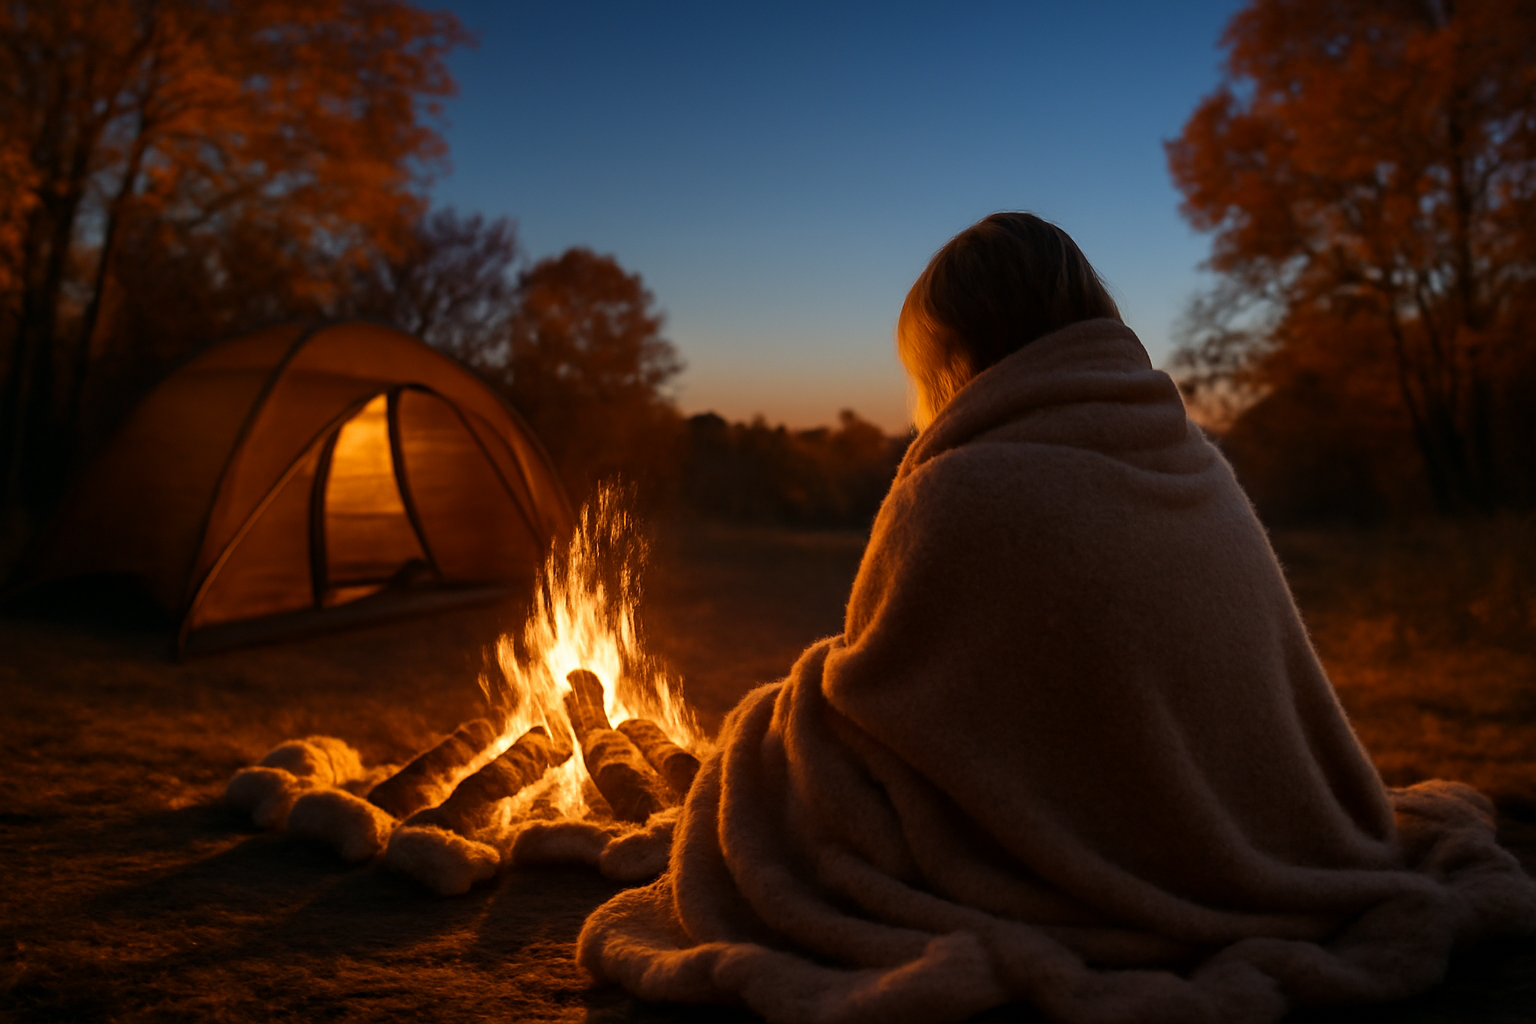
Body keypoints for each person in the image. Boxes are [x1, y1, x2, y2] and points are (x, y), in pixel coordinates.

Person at [578, 213, 1536, 1024]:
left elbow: (874, 713)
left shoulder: (957, 493)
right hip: (1253, 827)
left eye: (919, 374)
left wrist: (778, 724)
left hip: (1106, 852)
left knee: (773, 740)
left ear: (957, 359)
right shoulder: (1196, 460)